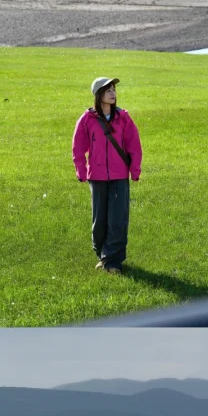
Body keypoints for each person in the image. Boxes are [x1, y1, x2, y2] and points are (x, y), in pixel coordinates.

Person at [71, 76, 142, 275]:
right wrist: (81, 170)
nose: (113, 93)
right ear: (98, 95)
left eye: (113, 90)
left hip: (119, 176)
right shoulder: (87, 119)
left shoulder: (123, 117)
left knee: (118, 219)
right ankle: (102, 254)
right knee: (100, 220)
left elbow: (134, 145)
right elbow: (78, 148)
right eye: (108, 90)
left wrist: (135, 170)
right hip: (97, 176)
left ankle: (113, 261)